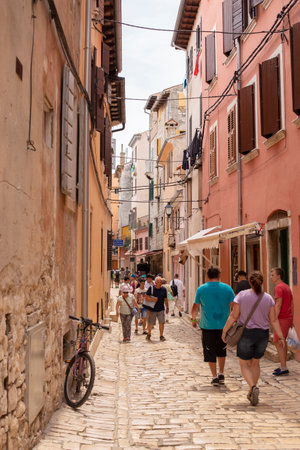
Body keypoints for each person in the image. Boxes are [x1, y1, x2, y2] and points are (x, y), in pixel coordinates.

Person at [222, 271, 285, 406]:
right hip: (262, 335)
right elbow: (273, 320)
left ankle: (252, 387)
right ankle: (253, 388)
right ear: (262, 282)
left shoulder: (241, 296)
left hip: (246, 333)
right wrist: (280, 336)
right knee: (255, 363)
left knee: (244, 364)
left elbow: (234, 316)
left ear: (250, 282)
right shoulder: (268, 298)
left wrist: (224, 331)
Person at [191, 267, 235, 386]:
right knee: (222, 350)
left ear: (207, 276)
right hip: (224, 326)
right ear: (219, 275)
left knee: (209, 351)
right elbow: (234, 306)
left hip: (207, 326)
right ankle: (221, 373)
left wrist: (193, 319)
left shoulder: (201, 289)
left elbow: (195, 307)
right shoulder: (227, 288)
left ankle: (214, 376)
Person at [270, 267, 294, 376]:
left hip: (282, 318)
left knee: (278, 341)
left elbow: (278, 304)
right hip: (287, 317)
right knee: (281, 341)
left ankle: (283, 367)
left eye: (272, 274)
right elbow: (292, 303)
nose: (271, 277)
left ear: (278, 276)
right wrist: (292, 318)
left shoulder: (279, 288)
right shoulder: (286, 287)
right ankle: (283, 365)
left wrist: (274, 318)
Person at [144, 276, 169, 341]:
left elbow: (165, 299)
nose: (159, 283)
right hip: (152, 309)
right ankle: (149, 334)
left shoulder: (164, 289)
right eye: (158, 281)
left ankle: (161, 335)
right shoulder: (151, 288)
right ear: (155, 282)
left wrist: (167, 307)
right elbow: (146, 297)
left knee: (162, 322)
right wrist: (152, 299)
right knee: (151, 323)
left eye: (160, 281)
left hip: (161, 308)